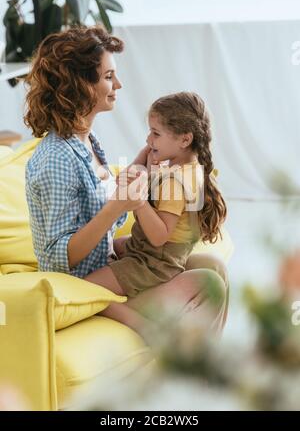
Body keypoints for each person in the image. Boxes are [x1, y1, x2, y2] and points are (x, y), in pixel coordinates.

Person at [24, 25, 228, 344]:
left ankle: (198, 370)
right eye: (108, 76)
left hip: (107, 264)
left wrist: (136, 177)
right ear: (81, 86)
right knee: (206, 282)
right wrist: (119, 206)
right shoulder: (57, 158)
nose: (118, 84)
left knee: (214, 265)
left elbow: (109, 218)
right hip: (82, 286)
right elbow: (59, 256)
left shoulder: (88, 142)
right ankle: (163, 346)